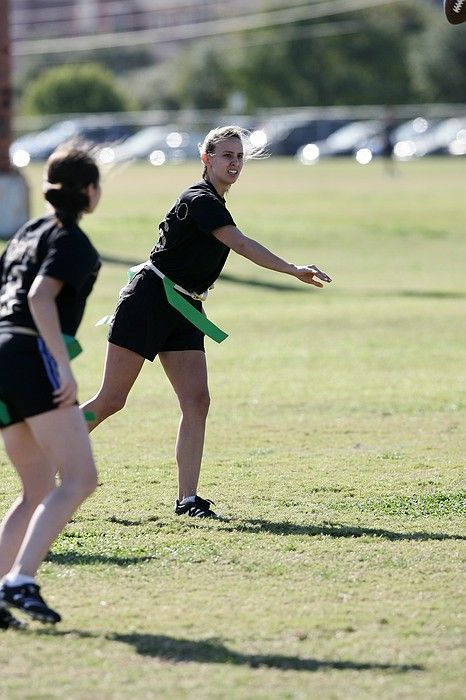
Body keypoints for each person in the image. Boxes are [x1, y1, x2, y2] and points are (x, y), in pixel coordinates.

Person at [81, 125, 331, 519]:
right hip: (150, 299)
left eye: (239, 156)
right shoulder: (200, 200)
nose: (234, 162)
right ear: (207, 159)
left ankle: (188, 499)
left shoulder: (215, 199)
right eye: (226, 155)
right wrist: (291, 269)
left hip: (186, 306)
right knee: (112, 399)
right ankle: (52, 447)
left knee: (197, 401)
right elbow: (242, 244)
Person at [0, 145, 101, 629]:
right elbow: (40, 296)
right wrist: (62, 366)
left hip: (3, 356)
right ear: (88, 191)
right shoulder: (71, 239)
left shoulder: (26, 232)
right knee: (80, 478)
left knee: (36, 486)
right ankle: (21, 580)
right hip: (30, 357)